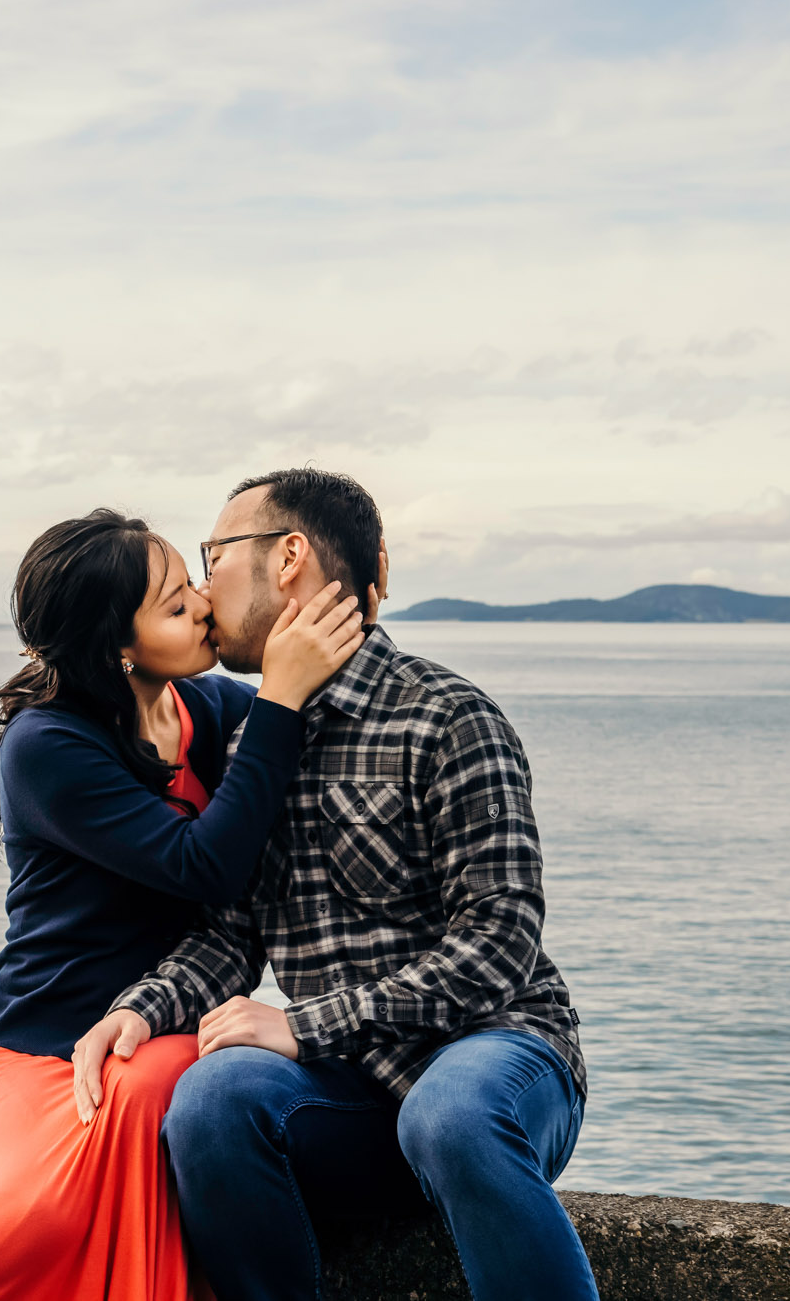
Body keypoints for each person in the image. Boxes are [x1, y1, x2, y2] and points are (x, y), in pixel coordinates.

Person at [73, 469, 599, 1301]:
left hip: (497, 1059)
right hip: (350, 1095)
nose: (205, 589)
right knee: (210, 1097)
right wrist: (138, 1008)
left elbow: (499, 944)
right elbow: (231, 935)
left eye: (214, 556)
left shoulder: (446, 715)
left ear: (288, 558)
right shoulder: (256, 740)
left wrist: (305, 1025)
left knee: (449, 1114)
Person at [0, 508, 367, 1301]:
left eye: (192, 584)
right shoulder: (48, 745)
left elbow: (317, 740)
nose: (204, 605)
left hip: (154, 1032)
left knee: (170, 1079)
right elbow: (206, 866)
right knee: (35, 1218)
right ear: (115, 647)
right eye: (175, 605)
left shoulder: (201, 710)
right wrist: (278, 697)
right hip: (43, 1056)